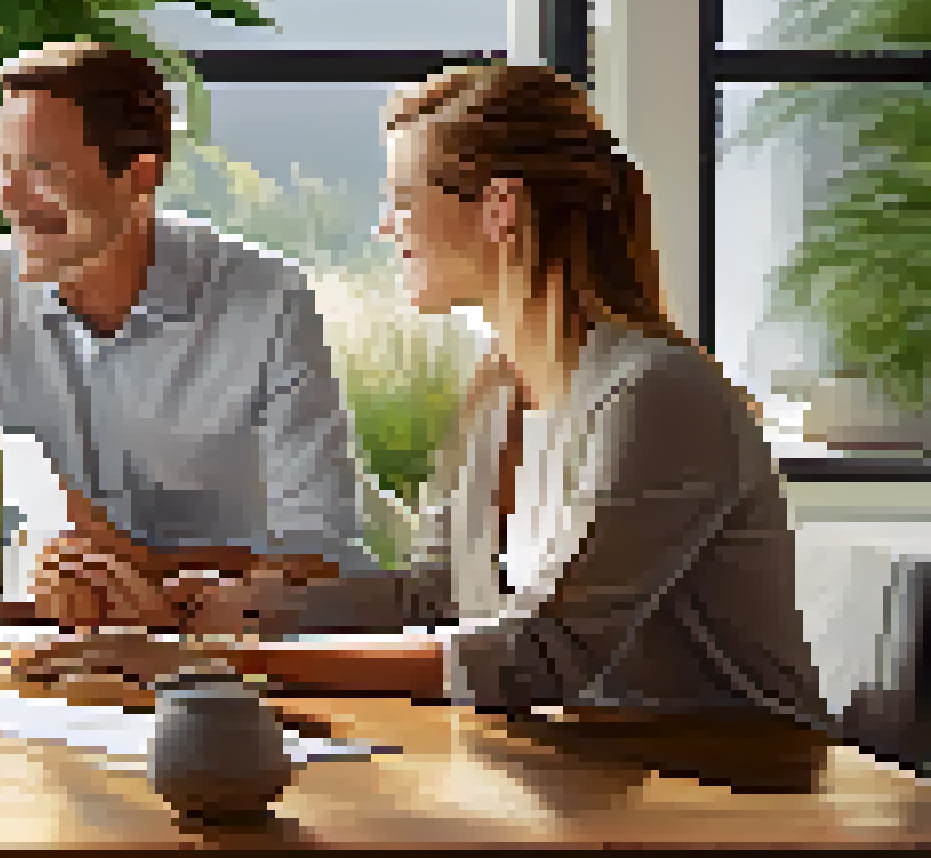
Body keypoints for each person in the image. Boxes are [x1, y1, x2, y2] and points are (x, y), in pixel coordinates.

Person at [171, 64, 825, 724]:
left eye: (402, 200)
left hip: (744, 789)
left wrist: (233, 662)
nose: (385, 229)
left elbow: (545, 653)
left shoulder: (656, 393)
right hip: (595, 777)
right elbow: (431, 597)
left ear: (500, 208)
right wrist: (249, 609)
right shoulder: (497, 392)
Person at [0, 40, 379, 627]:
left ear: (140, 176)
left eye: (41, 172)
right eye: (4, 168)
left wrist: (143, 567)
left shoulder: (267, 302)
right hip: (48, 654)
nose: (6, 199)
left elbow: (327, 559)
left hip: (226, 657)